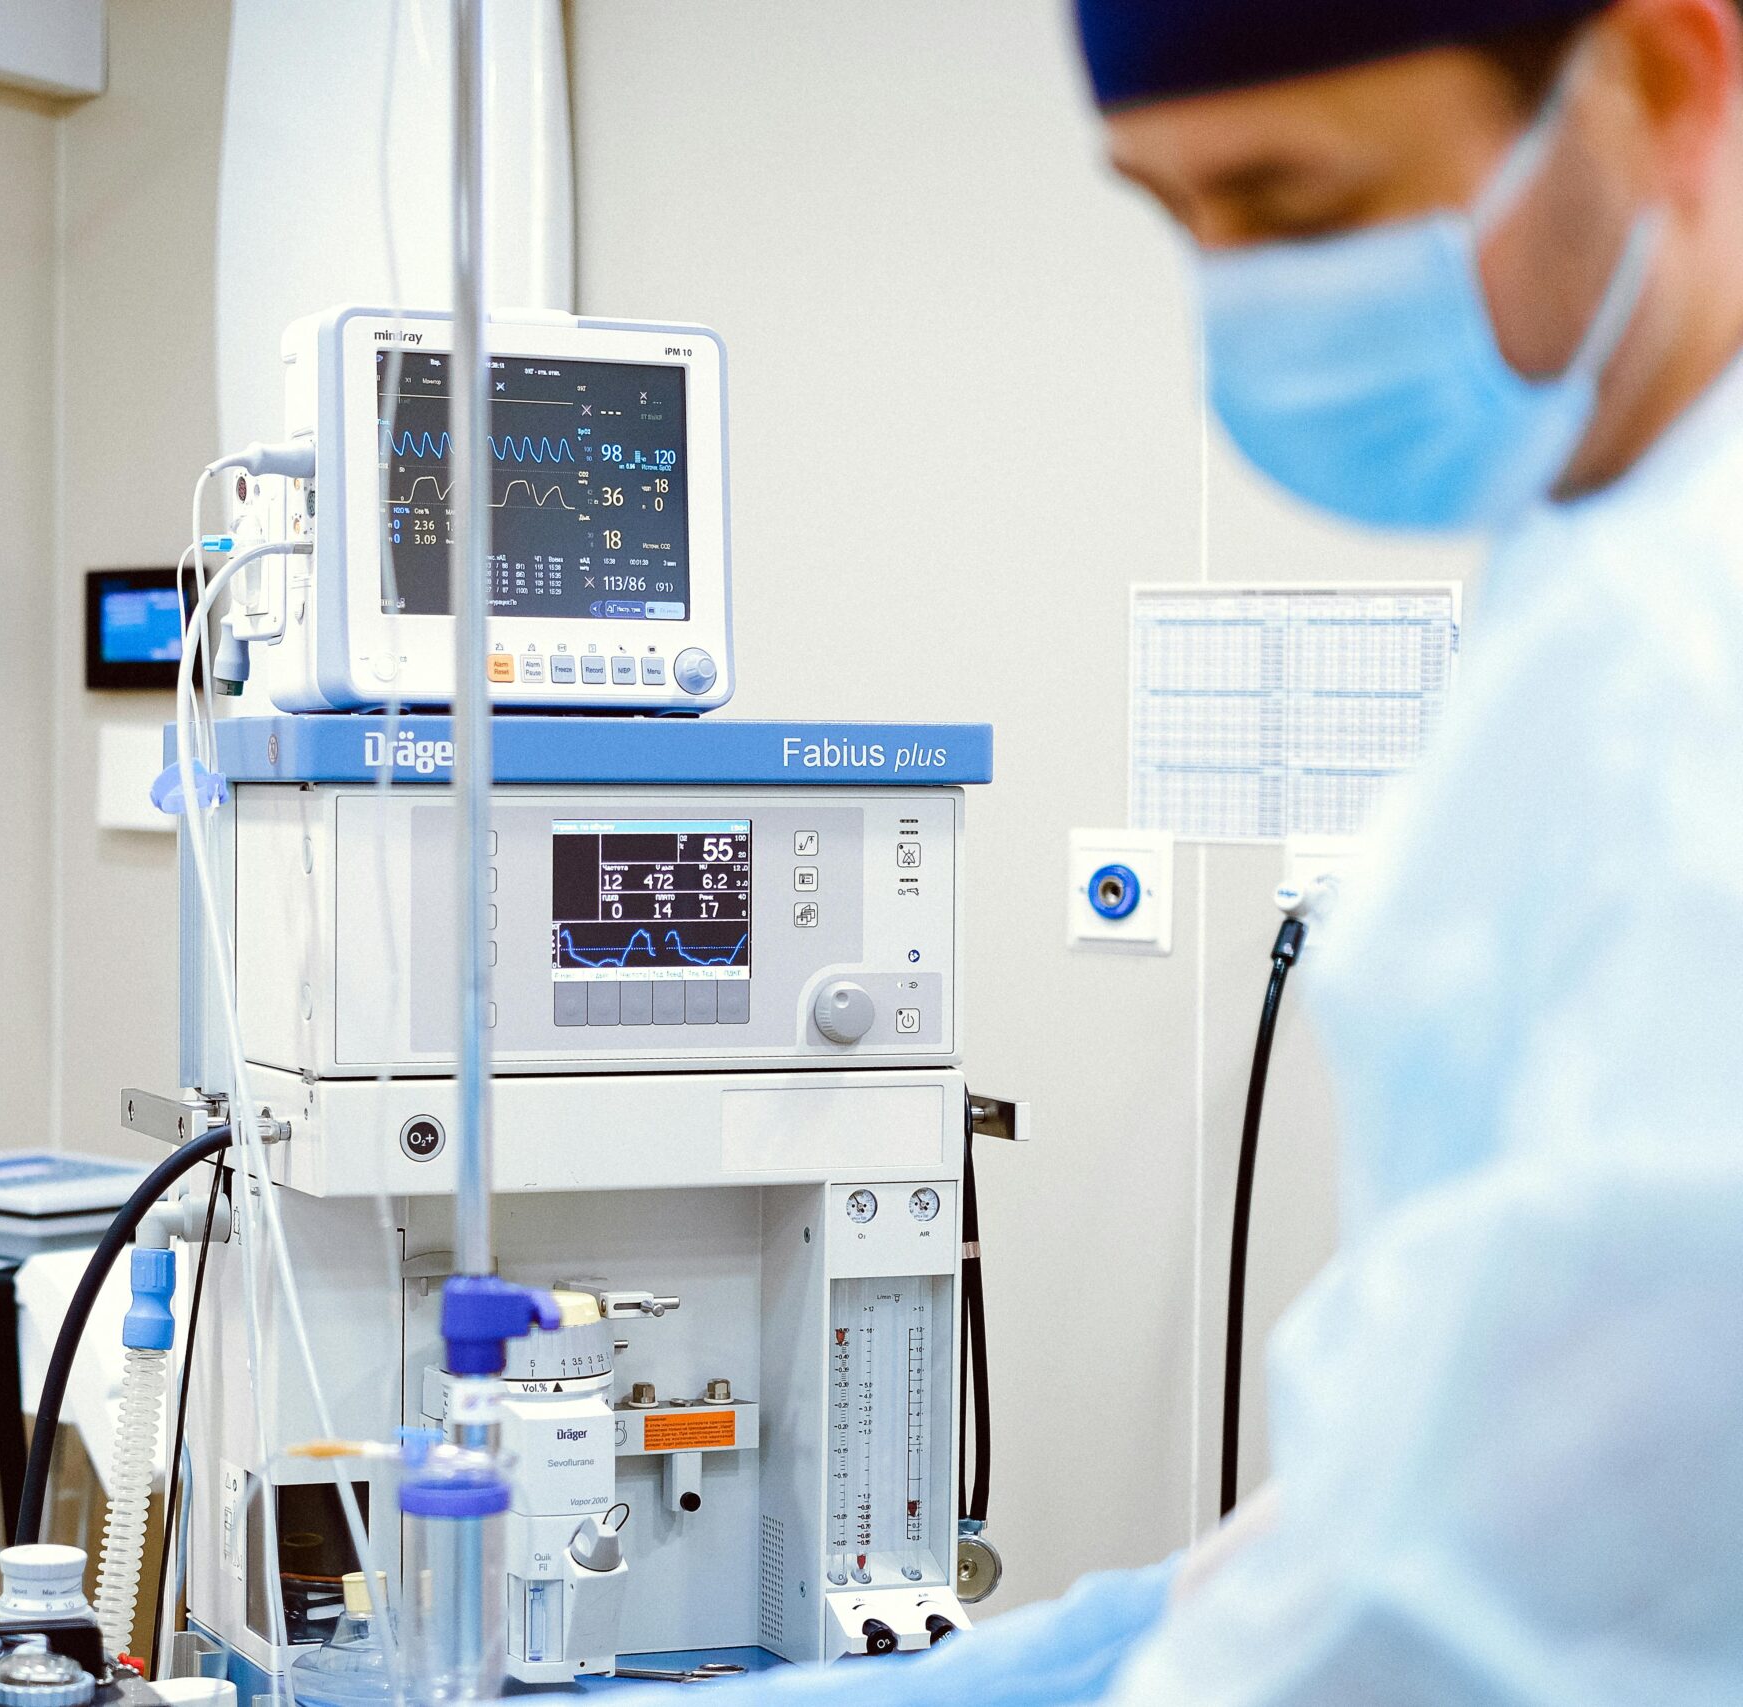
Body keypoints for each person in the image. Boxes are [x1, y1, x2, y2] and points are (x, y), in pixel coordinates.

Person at [667, 2, 1743, 1702]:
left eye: (1298, 205)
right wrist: (1090, 1648)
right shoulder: (1591, 553)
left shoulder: (1688, 655)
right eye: (1176, 218)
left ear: (1665, 78)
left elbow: (1510, 1600)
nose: (1245, 303)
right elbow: (1438, 1469)